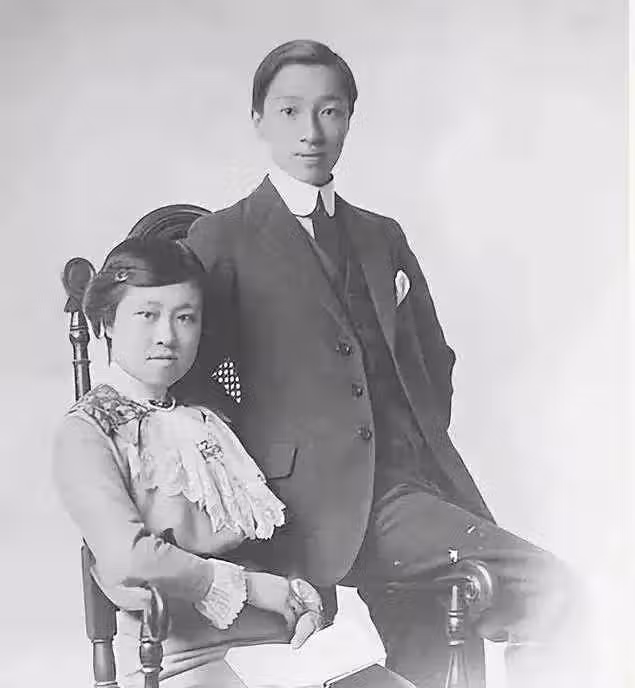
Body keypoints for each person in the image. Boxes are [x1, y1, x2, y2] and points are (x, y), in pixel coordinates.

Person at [182, 40, 588, 688]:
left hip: (416, 484)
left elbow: (435, 355)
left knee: (434, 655)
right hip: (312, 503)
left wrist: (414, 438)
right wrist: (278, 467)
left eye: (330, 111)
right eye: (289, 111)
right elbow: (198, 385)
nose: (311, 132)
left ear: (350, 118)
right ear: (258, 120)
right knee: (553, 589)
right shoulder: (223, 238)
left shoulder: (381, 234)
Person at [53, 237, 324, 688]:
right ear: (108, 323)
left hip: (278, 647)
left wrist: (298, 596)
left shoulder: (210, 421)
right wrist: (253, 587)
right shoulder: (88, 431)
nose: (167, 336)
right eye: (147, 315)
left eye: (185, 317)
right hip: (176, 656)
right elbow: (129, 558)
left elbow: (272, 536)